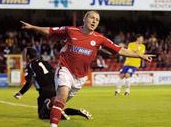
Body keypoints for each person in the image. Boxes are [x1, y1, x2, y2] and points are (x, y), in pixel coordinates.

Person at [20, 10, 154, 127]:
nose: (94, 21)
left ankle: (49, 104)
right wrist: (32, 27)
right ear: (84, 19)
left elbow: (120, 50)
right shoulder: (71, 31)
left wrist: (140, 56)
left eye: (97, 20)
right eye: (92, 18)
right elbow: (49, 30)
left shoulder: (100, 39)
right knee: (62, 98)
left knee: (59, 102)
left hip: (81, 77)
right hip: (65, 69)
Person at [14, 47, 92, 120]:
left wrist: (20, 93)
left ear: (28, 56)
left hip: (45, 91)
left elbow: (29, 81)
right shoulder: (45, 62)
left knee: (42, 115)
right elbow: (55, 72)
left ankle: (53, 108)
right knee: (58, 108)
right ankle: (78, 112)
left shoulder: (30, 66)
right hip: (55, 87)